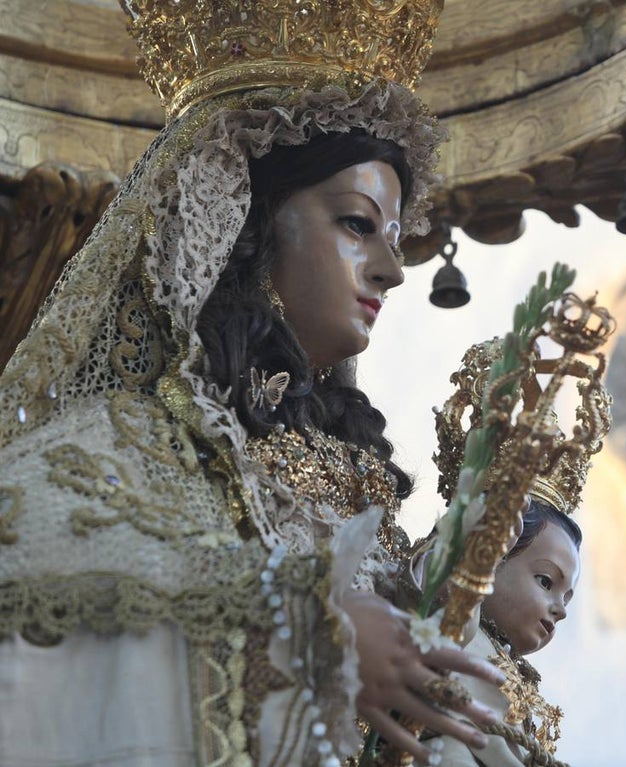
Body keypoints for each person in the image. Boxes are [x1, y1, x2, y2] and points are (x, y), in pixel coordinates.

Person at [0, 11, 504, 767]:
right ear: (245, 223)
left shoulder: (361, 499)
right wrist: (300, 639)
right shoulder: (119, 449)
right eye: (358, 224)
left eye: (396, 241)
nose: (393, 271)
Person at [415, 499, 582, 767]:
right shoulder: (455, 618)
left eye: (566, 599)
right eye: (546, 581)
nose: (561, 610)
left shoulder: (514, 674)